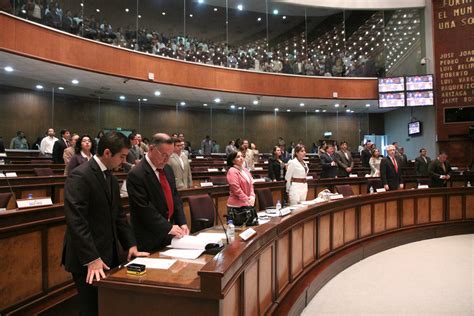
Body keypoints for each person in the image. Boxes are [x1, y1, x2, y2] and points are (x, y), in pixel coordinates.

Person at [62, 131, 149, 316]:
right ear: (108, 153)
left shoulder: (109, 176)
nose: (124, 161)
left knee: (108, 306)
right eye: (122, 156)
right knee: (91, 308)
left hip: (107, 254)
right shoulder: (80, 175)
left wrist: (131, 245)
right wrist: (91, 258)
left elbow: (118, 215)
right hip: (86, 258)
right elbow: (76, 221)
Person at [127, 133, 189, 252]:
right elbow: (144, 208)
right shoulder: (136, 174)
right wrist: (168, 227)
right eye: (163, 155)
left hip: (170, 236)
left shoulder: (168, 169)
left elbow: (175, 197)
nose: (166, 160)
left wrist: (182, 222)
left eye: (169, 156)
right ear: (151, 149)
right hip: (149, 238)